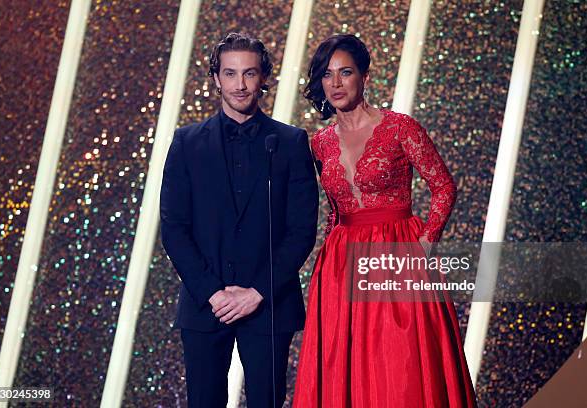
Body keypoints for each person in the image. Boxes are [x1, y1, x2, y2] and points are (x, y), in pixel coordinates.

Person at [293, 34, 477, 407]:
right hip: (341, 264)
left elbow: (443, 186)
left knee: (400, 370)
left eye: (346, 72)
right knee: (341, 370)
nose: (337, 83)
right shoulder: (319, 144)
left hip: (397, 256)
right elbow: (334, 209)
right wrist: (324, 263)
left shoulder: (399, 127)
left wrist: (425, 243)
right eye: (328, 75)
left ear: (364, 76)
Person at [160, 32, 318, 408]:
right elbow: (174, 228)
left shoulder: (291, 142)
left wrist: (256, 292)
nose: (240, 84)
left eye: (249, 74)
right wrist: (214, 293)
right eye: (230, 74)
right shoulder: (186, 142)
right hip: (205, 305)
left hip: (269, 304)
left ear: (264, 77)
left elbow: (301, 231)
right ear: (216, 78)